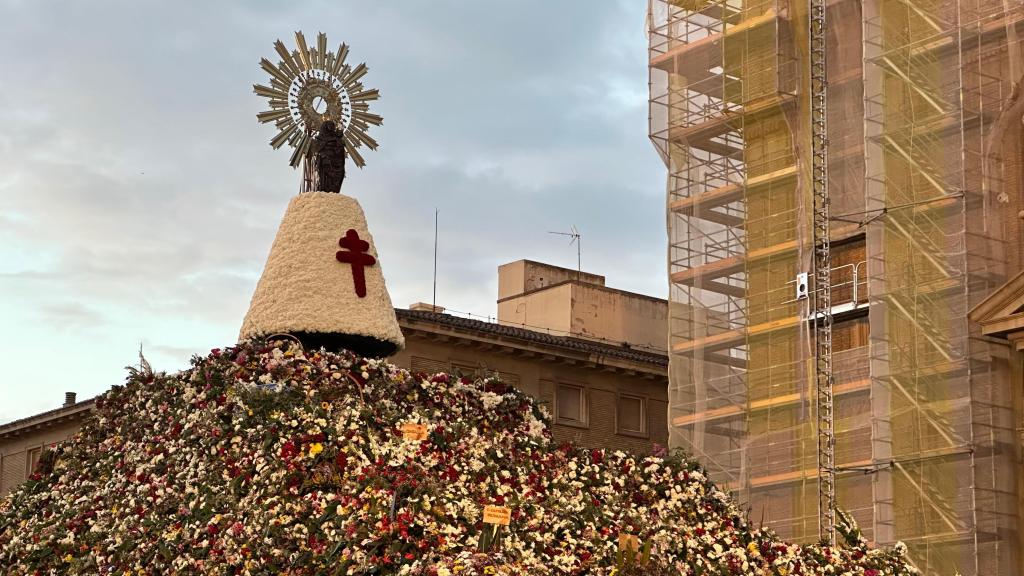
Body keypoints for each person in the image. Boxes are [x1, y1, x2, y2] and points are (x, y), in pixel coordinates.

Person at [311, 119, 347, 192]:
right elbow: (318, 149)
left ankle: (334, 191)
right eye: (330, 126)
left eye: (333, 126)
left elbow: (339, 136)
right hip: (326, 161)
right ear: (325, 127)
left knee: (340, 175)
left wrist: (340, 129)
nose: (332, 128)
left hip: (337, 162)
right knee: (326, 179)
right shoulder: (321, 138)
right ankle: (325, 191)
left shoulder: (336, 138)